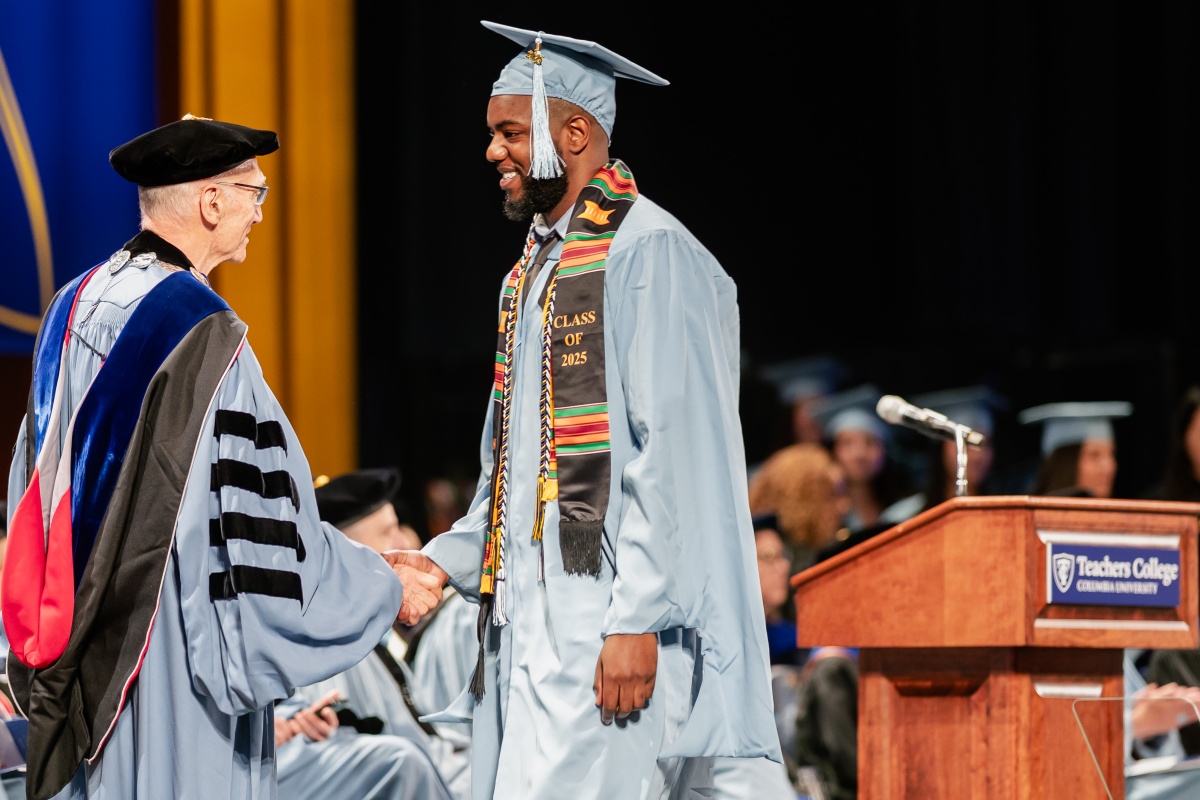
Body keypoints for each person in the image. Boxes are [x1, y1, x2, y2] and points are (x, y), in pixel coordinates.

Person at [2, 115, 443, 800]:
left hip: (82, 650)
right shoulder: (203, 329)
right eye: (254, 194)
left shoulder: (71, 305)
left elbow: (32, 480)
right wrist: (380, 585)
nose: (259, 214)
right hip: (175, 648)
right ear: (211, 201)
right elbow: (260, 528)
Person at [394, 21, 781, 800]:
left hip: (608, 623)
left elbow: (671, 454)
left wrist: (635, 619)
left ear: (574, 132)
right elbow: (515, 475)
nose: (492, 152)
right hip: (535, 630)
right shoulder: (535, 270)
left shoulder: (648, 253)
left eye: (509, 132)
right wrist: (446, 559)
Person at [274, 467, 469, 800]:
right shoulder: (321, 629)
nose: (405, 541)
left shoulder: (372, 636)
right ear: (354, 550)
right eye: (388, 532)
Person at [879, 384, 1005, 525]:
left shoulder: (1005, 513)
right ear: (941, 449)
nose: (978, 455)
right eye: (966, 444)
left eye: (984, 443)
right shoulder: (907, 517)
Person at [810, 384, 913, 535]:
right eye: (847, 443)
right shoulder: (825, 518)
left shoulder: (907, 510)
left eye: (870, 442)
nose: (859, 454)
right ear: (832, 452)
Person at [1018, 401, 1133, 498]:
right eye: (1094, 455)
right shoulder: (1028, 520)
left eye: (1112, 454)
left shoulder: (1121, 520)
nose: (1108, 467)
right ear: (1065, 464)